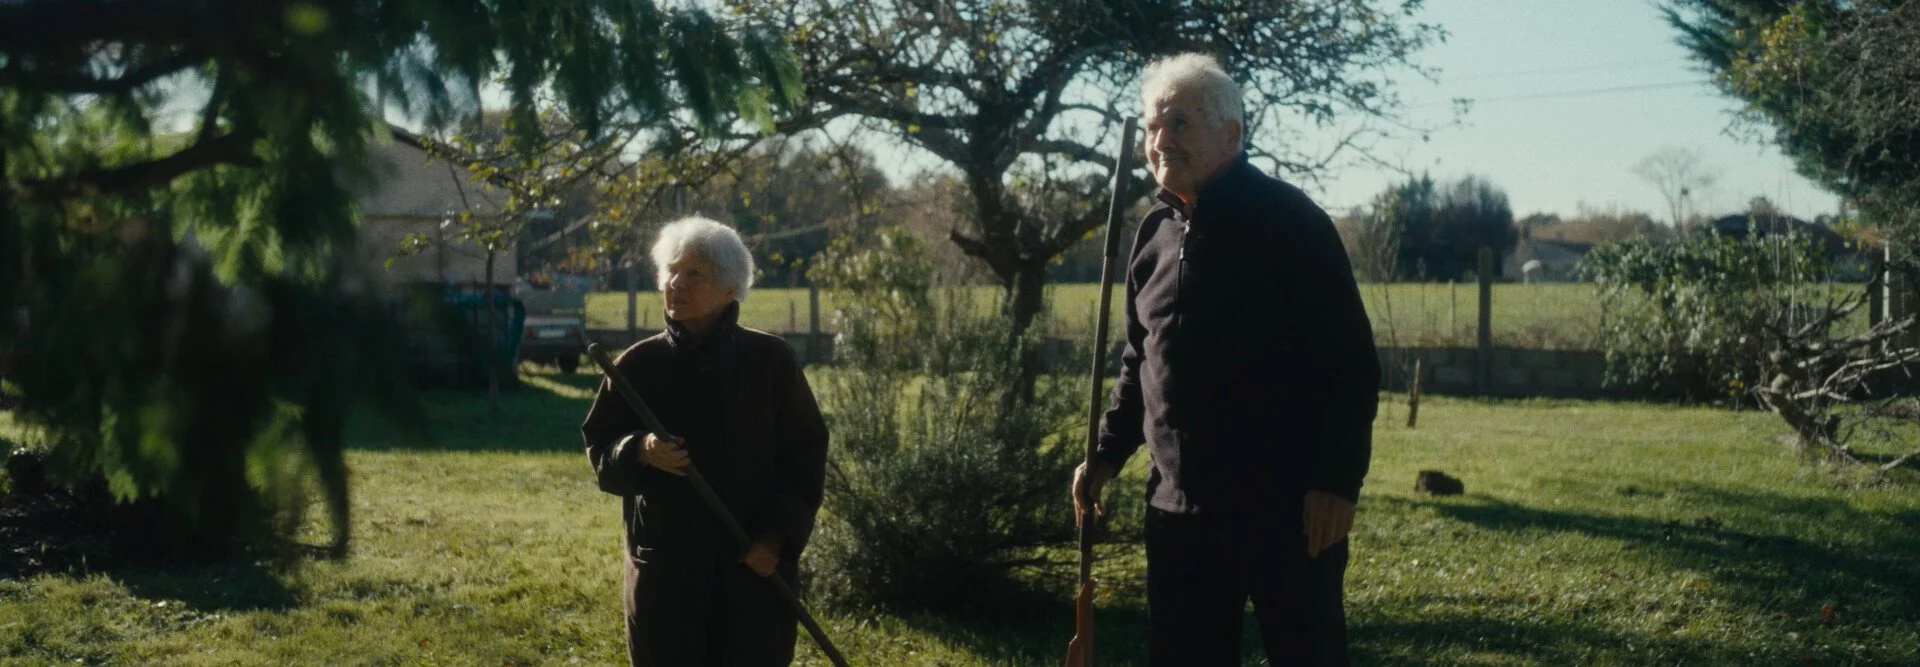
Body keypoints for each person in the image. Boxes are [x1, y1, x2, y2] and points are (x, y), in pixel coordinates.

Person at [1072, 53, 1381, 666]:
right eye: (1152, 126)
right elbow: (1142, 360)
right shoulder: (1153, 232)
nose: (1160, 141)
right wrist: (1106, 454)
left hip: (1286, 510)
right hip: (1177, 508)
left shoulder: (1291, 224)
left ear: (1230, 134)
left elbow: (1349, 363)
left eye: (1179, 124)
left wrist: (1336, 482)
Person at [582, 216, 829, 666]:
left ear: (730, 288)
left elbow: (805, 454)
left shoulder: (769, 362)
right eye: (671, 270)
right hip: (667, 575)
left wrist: (776, 538)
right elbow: (600, 445)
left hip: (751, 571)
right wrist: (639, 450)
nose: (675, 283)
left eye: (694, 273)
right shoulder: (637, 365)